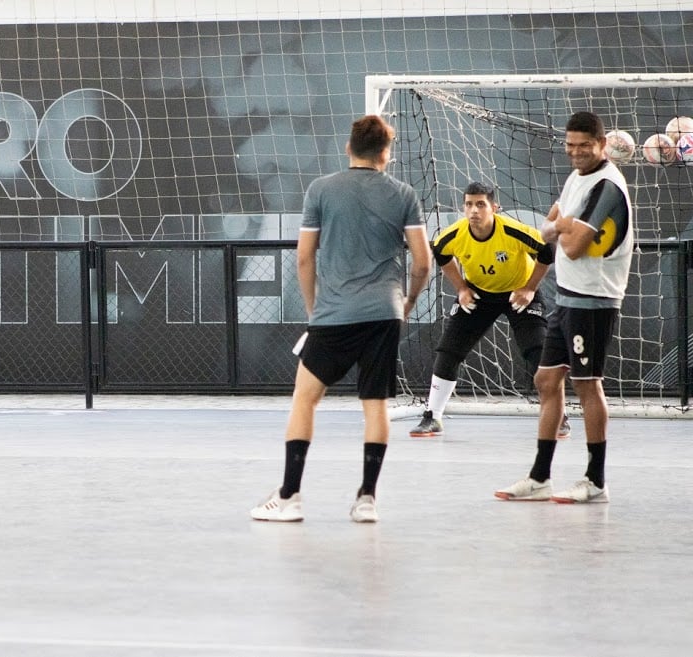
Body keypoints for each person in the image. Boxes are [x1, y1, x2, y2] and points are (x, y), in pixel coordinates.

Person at [250, 115, 433, 524]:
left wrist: (315, 311)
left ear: (348, 148)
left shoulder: (321, 190)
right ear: (387, 152)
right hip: (384, 313)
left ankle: (289, 496)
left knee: (305, 399)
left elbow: (303, 257)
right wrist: (405, 304)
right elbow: (422, 263)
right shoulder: (404, 194)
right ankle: (367, 498)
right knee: (375, 405)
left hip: (334, 314)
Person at [495, 111, 633, 504]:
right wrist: (563, 225)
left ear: (602, 145)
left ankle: (596, 481)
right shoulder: (577, 179)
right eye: (570, 146)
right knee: (546, 380)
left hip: (594, 298)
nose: (576, 153)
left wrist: (561, 227)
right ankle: (540, 478)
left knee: (586, 383)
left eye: (584, 146)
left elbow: (569, 245)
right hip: (568, 295)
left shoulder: (607, 186)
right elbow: (550, 227)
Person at [409, 182, 570, 438]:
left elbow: (546, 252)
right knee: (449, 350)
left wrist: (529, 288)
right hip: (479, 294)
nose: (474, 210)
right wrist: (461, 288)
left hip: (518, 294)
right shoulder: (455, 234)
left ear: (494, 207)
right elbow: (440, 254)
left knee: (537, 349)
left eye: (480, 204)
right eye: (469, 204)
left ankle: (558, 415)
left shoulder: (513, 231)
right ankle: (433, 417)